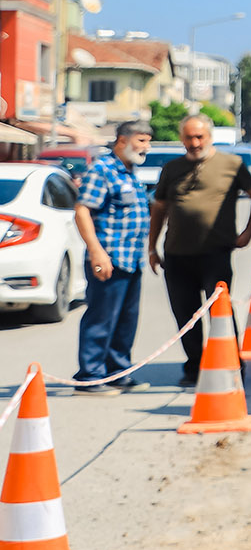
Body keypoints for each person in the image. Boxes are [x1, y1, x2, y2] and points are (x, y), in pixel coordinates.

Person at [148, 113, 251, 386]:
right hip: (177, 256)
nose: (194, 142)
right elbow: (160, 208)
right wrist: (152, 248)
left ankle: (232, 366)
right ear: (182, 139)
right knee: (185, 317)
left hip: (215, 254)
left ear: (210, 137)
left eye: (199, 136)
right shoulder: (171, 168)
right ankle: (195, 368)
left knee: (221, 314)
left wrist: (247, 232)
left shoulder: (231, 164)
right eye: (189, 137)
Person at [72, 120, 154, 390]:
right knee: (101, 319)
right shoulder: (103, 169)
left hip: (131, 259)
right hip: (109, 259)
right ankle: (90, 377)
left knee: (125, 321)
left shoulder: (129, 172)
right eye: (141, 140)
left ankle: (117, 372)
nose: (147, 147)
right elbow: (83, 209)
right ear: (122, 140)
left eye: (147, 141)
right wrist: (97, 252)